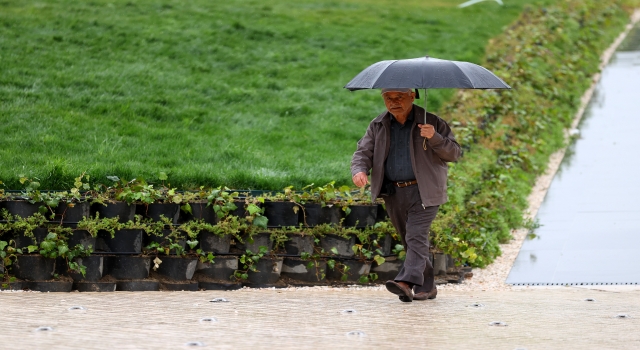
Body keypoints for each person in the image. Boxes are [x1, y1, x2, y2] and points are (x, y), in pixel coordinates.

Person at [351, 88, 461, 302]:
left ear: (412, 96)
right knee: (411, 241)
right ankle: (427, 287)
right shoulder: (378, 125)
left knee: (415, 236)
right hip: (393, 192)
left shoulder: (432, 122)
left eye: (399, 97)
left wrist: (435, 137)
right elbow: (363, 152)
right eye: (388, 98)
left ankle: (405, 282)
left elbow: (454, 153)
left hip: (425, 191)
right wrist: (359, 170)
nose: (394, 102)